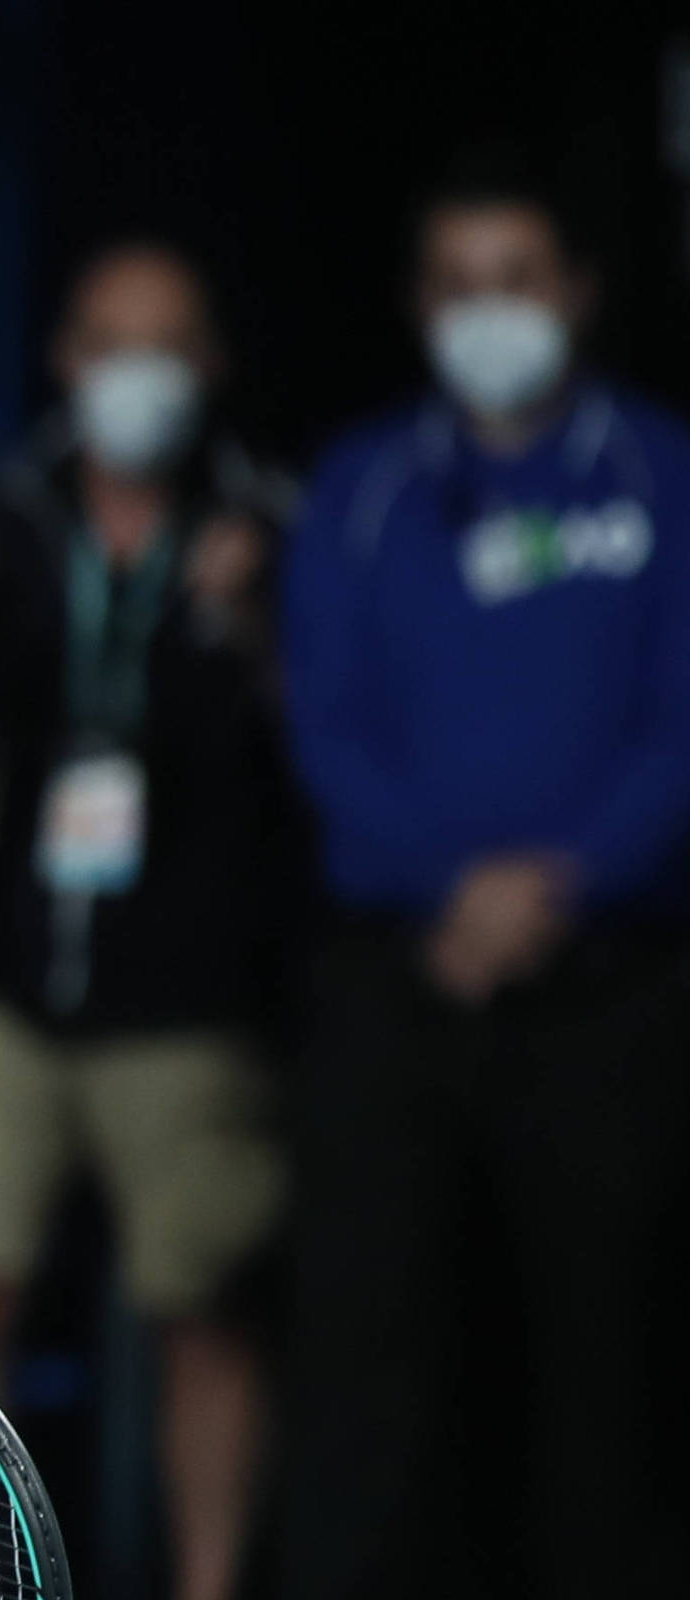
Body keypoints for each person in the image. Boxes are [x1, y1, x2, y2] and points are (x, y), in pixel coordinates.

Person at [279, 151, 690, 1600]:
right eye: (456, 284)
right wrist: (455, 890)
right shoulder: (362, 484)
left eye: (514, 280)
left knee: (604, 1365)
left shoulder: (662, 472)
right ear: (416, 304)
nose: (486, 311)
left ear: (575, 290)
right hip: (399, 981)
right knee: (369, 1360)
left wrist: (555, 886)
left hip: (608, 992)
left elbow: (678, 722)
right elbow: (324, 722)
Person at [0, 243, 297, 1600]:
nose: (136, 374)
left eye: (166, 344)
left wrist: (258, 622)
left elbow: (326, 749)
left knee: (204, 1310)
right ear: (63, 357)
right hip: (1, 975)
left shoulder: (272, 528)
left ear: (212, 365)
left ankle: (210, 1583)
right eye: (109, 340)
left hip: (188, 986)